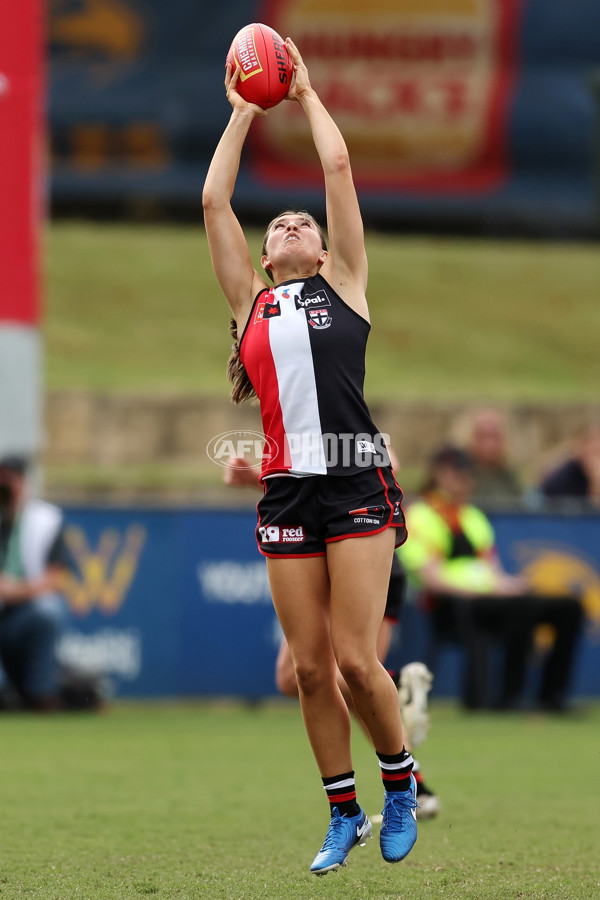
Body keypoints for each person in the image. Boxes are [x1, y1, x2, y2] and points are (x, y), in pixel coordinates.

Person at [203, 40, 417, 875]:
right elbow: (216, 199)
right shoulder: (251, 303)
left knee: (361, 663)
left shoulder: (347, 285)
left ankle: (400, 784)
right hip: (289, 494)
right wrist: (246, 110)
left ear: (326, 253)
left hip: (359, 481)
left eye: (306, 225)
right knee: (309, 669)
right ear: (265, 258)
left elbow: (336, 163)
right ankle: (343, 811)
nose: (292, 222)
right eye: (278, 224)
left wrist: (306, 91)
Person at [224, 455, 440, 819]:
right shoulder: (279, 420)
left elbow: (388, 464)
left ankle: (409, 773)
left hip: (362, 555)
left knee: (351, 675)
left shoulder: (333, 407)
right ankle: (405, 741)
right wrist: (258, 476)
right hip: (317, 556)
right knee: (297, 678)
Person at [398, 445, 584, 712]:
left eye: (467, 475)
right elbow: (431, 580)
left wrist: (512, 586)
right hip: (453, 605)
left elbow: (493, 571)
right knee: (523, 608)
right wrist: (488, 591)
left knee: (569, 607)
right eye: (456, 474)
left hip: (491, 599)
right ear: (438, 475)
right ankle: (510, 697)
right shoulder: (419, 516)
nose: (464, 481)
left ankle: (552, 697)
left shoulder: (473, 517)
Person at [0, 455, 68, 711]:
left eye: (11, 482)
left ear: (24, 482)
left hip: (24, 611)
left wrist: (16, 590)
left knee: (49, 610)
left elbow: (57, 578)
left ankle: (41, 693)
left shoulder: (45, 520)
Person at [453, 407, 522, 502]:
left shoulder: (509, 478)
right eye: (483, 436)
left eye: (495, 437)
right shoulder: (458, 474)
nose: (489, 444)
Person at [539, 424, 600, 508]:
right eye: (588, 450)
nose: (591, 459)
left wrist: (595, 483)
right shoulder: (563, 476)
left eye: (596, 452)